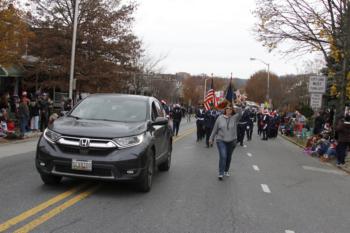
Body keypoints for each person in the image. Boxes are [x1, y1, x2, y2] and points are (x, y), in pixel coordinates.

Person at [209, 104, 242, 180]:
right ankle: (221, 173)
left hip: (232, 141)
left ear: (232, 110)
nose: (228, 110)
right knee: (223, 156)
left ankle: (226, 170)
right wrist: (211, 138)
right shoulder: (219, 118)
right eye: (227, 109)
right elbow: (215, 129)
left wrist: (239, 105)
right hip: (221, 140)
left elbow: (240, 113)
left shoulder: (234, 118)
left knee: (228, 157)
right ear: (225, 110)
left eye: (230, 109)